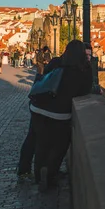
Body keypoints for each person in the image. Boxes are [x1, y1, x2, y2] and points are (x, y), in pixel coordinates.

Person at [30, 40, 92, 191]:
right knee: (59, 146)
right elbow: (84, 93)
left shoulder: (57, 62)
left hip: (39, 108)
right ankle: (50, 175)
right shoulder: (84, 69)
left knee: (41, 143)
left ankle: (38, 175)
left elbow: (45, 76)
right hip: (60, 114)